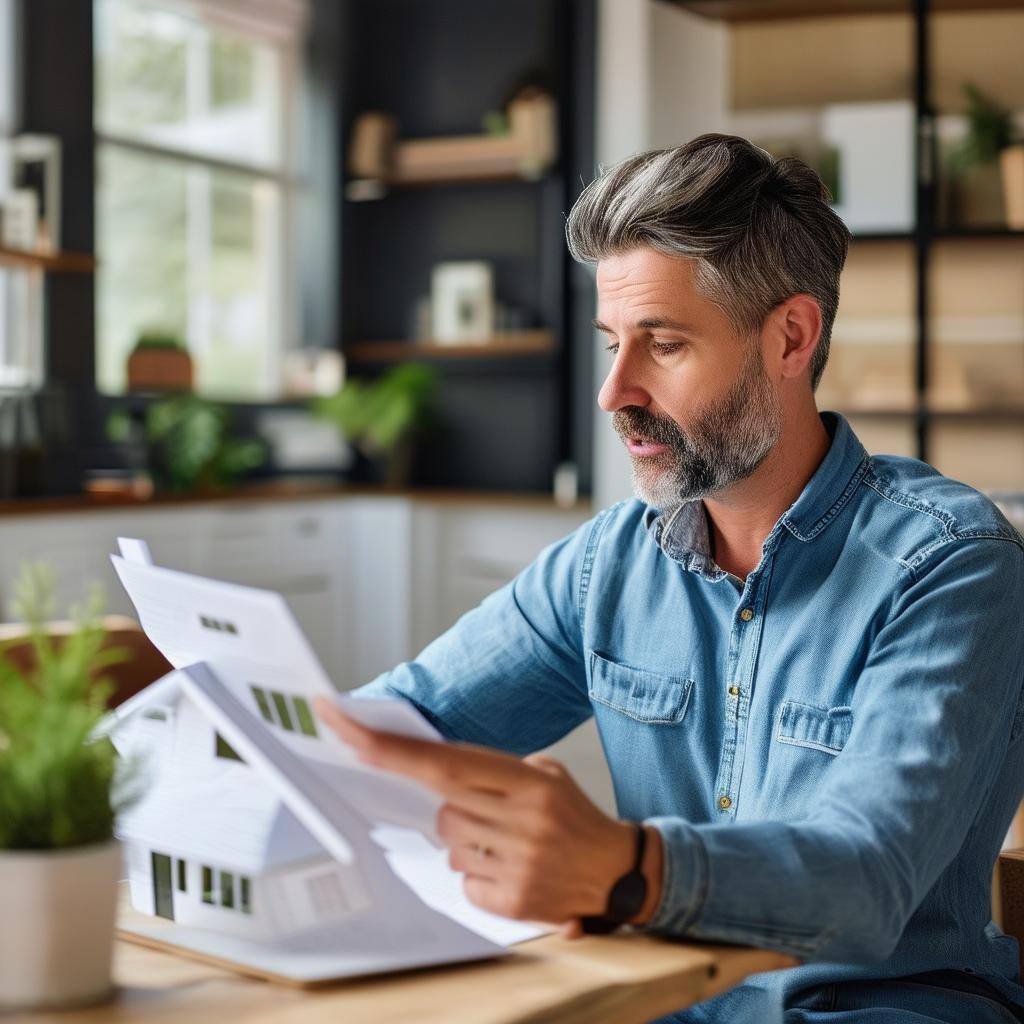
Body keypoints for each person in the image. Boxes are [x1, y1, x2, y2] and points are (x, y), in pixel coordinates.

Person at [314, 134, 1024, 1023]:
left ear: (790, 338)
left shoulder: (950, 565)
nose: (614, 390)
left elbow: (867, 878)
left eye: (664, 344)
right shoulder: (606, 564)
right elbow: (396, 727)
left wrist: (627, 867)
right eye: (612, 342)